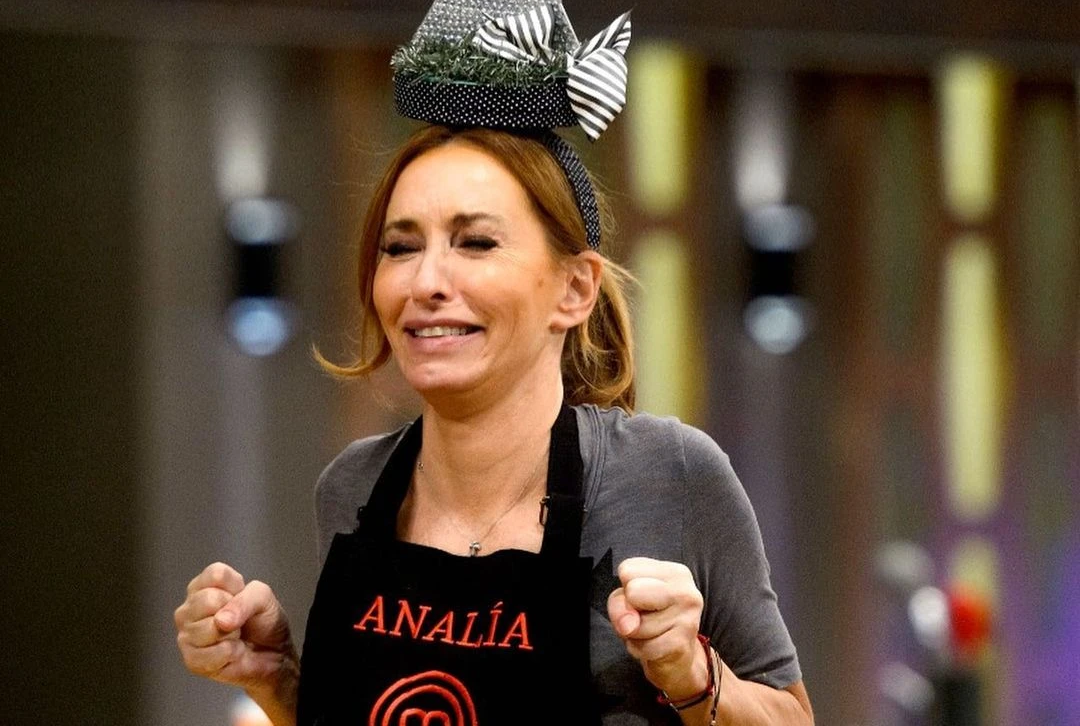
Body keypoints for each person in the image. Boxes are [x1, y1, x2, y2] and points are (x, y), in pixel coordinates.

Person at [176, 125, 814, 725]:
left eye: (476, 243)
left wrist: (694, 675)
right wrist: (281, 681)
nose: (426, 281)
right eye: (401, 248)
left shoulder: (670, 474)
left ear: (575, 289)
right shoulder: (353, 486)